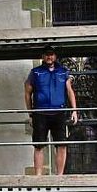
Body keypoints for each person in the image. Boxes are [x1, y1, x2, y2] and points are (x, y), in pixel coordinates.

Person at [24, 46, 79, 176]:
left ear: (55, 56)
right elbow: (27, 93)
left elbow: (69, 91)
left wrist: (74, 111)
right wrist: (30, 113)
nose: (49, 57)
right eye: (47, 54)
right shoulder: (35, 72)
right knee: (39, 144)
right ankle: (38, 176)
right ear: (43, 56)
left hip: (59, 112)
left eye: (52, 54)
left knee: (61, 144)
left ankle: (59, 176)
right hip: (40, 112)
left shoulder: (62, 71)